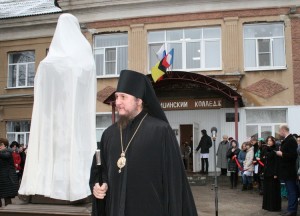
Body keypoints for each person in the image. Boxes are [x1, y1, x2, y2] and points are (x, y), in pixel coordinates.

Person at [89, 70, 197, 216]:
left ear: (138, 101)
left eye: (123, 97)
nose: (118, 102)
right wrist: (98, 186)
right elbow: (99, 172)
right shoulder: (109, 134)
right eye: (116, 97)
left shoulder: (161, 131)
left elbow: (174, 183)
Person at [19, 13, 96, 201]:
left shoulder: (50, 62)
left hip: (58, 118)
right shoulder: (81, 57)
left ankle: (52, 187)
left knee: (57, 149)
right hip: (65, 117)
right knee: (64, 150)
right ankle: (70, 188)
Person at [276, 125, 298, 216]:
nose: (279, 133)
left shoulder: (291, 140)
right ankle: (290, 209)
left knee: (292, 191)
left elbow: (293, 156)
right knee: (289, 191)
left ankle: (292, 210)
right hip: (286, 170)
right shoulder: (287, 139)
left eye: (280, 131)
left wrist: (282, 154)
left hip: (290, 171)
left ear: (283, 130)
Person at [262, 136, 281, 212]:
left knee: (273, 190)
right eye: (268, 140)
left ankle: (274, 207)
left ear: (273, 141)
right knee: (267, 190)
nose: (269, 142)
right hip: (266, 172)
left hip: (273, 173)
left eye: (270, 140)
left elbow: (277, 162)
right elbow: (262, 158)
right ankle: (267, 206)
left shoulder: (275, 149)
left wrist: (276, 173)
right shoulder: (265, 149)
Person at [0, 138, 19, 207]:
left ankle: (8, 212)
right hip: (2, 179)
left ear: (4, 145)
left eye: (1, 145)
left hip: (7, 179)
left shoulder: (8, 151)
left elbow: (5, 156)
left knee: (7, 199)